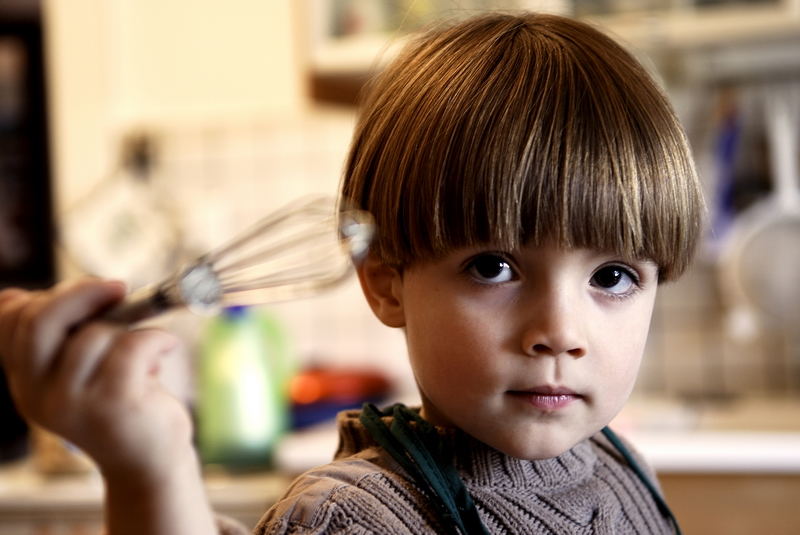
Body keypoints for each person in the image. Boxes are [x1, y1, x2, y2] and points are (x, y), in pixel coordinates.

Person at [0, 11, 703, 535]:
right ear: (385, 280)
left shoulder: (621, 469)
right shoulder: (352, 519)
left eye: (611, 277)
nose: (560, 332)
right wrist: (146, 464)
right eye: (493, 266)